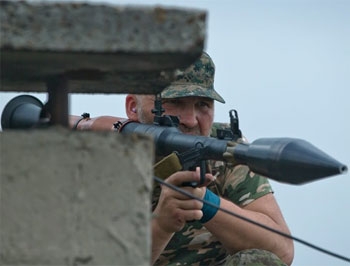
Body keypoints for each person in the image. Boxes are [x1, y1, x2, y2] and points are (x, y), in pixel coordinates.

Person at [70, 52, 294, 265]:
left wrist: (207, 203)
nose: (191, 120)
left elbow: (281, 251)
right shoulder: (99, 161)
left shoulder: (225, 151)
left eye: (203, 105)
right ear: (132, 107)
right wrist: (162, 224)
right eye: (175, 103)